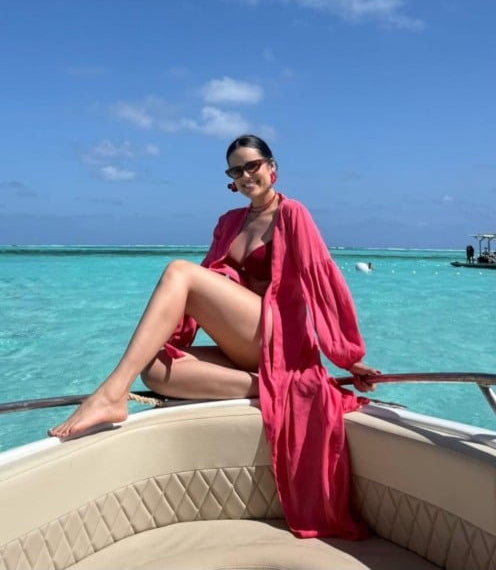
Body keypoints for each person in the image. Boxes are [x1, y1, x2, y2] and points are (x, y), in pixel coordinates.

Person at [48, 134, 379, 539]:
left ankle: (109, 394)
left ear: (272, 168)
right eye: (236, 171)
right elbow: (209, 286)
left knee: (178, 271)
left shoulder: (292, 214)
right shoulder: (228, 223)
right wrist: (178, 339)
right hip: (248, 345)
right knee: (156, 369)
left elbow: (321, 280)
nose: (245, 176)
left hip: (279, 335)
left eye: (252, 166)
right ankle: (272, 386)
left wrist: (348, 357)